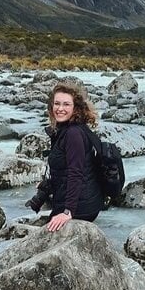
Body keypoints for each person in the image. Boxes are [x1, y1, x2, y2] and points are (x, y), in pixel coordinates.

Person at [43, 81, 104, 231]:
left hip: (81, 208)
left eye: (66, 104)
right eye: (57, 104)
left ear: (75, 108)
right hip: (80, 202)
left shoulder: (73, 134)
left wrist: (67, 212)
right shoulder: (65, 129)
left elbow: (76, 173)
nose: (60, 109)